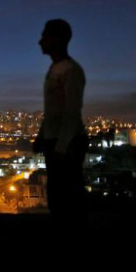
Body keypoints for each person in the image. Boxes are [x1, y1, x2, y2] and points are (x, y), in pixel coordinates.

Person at [32, 19, 89, 230]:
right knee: (57, 197)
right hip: (56, 142)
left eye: (45, 36)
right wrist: (41, 136)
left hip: (68, 144)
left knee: (68, 198)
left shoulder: (71, 70)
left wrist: (61, 147)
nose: (40, 41)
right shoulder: (55, 69)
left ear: (58, 39)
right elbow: (54, 111)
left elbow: (71, 112)